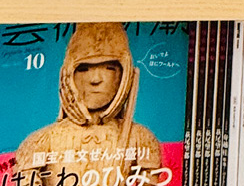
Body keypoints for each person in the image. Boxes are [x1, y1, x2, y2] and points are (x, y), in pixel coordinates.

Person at [15, 23, 163, 186]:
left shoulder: (140, 138)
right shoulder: (41, 141)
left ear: (125, 73)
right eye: (84, 69)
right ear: (68, 74)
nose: (95, 79)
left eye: (109, 68)